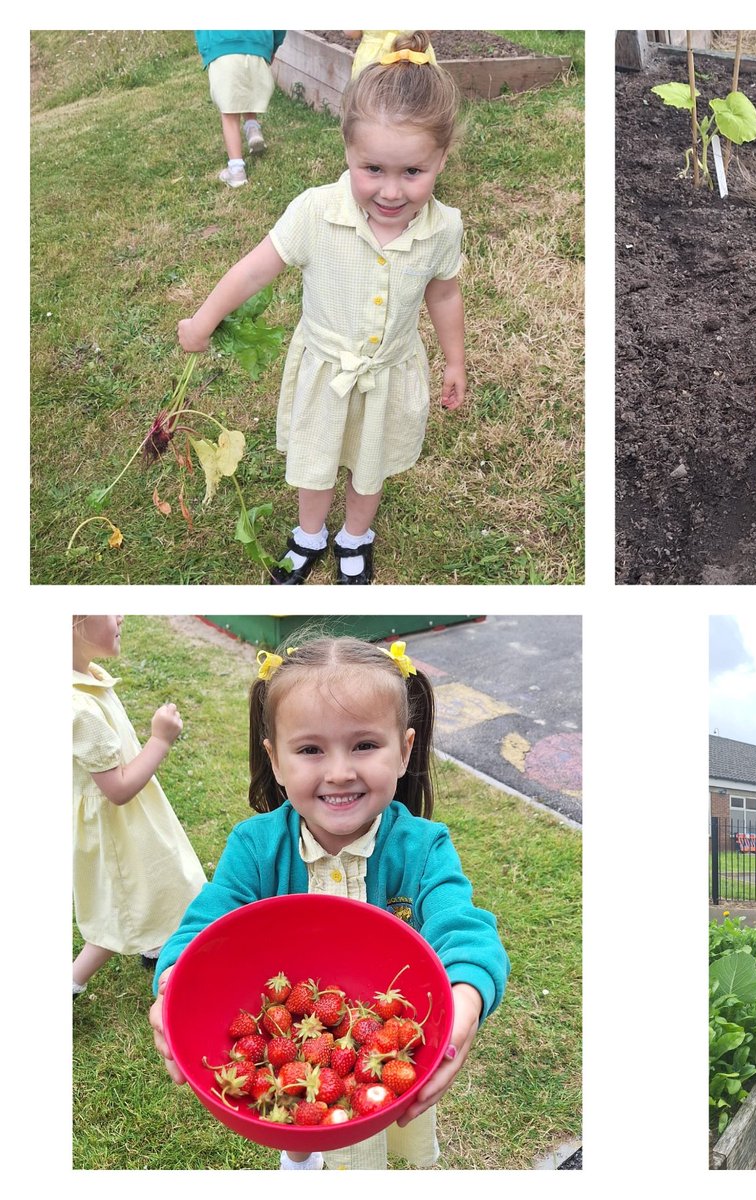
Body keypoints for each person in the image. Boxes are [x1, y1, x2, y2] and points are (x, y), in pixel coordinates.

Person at [148, 635, 509, 1171]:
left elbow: (462, 927)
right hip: (286, 1051)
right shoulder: (255, 846)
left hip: (384, 1064)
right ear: (275, 759)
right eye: (311, 749)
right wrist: (174, 978)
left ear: (405, 750)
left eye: (364, 745)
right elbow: (206, 922)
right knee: (296, 1124)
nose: (339, 771)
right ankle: (300, 1161)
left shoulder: (422, 847)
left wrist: (465, 1002)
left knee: (378, 1147)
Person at [178, 31, 466, 584]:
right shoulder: (316, 212)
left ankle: (356, 535)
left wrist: (455, 360)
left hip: (388, 373)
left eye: (413, 172)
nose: (390, 191)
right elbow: (256, 267)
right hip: (325, 369)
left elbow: (444, 292)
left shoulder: (442, 227)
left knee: (370, 462)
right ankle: (310, 533)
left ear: (441, 158)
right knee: (316, 459)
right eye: (372, 169)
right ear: (347, 151)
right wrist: (203, 319)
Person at [72, 616, 206, 996]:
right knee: (118, 908)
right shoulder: (78, 707)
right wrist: (160, 740)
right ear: (73, 622)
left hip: (129, 818)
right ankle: (71, 981)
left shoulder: (86, 677)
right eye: (109, 609)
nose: (120, 617)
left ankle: (156, 939)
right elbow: (117, 788)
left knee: (158, 876)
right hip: (116, 823)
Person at [194, 31, 288, 187]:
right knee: (247, 89)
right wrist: (273, 46)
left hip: (222, 46)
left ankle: (236, 170)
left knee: (230, 113)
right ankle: (252, 128)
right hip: (257, 45)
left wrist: (206, 50)